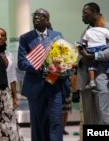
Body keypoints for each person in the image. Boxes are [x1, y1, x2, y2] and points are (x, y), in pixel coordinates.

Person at [18, 8, 67, 141]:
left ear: (47, 20)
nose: (36, 18)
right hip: (35, 88)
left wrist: (63, 65)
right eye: (35, 15)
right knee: (38, 123)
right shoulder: (25, 38)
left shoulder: (57, 35)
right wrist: (41, 67)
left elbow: (65, 58)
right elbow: (21, 63)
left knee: (56, 121)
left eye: (40, 16)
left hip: (54, 86)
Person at [77, 2, 109, 126]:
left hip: (102, 78)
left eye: (85, 13)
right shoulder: (85, 33)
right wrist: (81, 59)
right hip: (86, 80)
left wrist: (94, 56)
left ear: (95, 13)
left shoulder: (107, 28)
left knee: (104, 120)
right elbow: (81, 55)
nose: (82, 16)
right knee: (89, 121)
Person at [78, 13, 109, 89]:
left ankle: (91, 81)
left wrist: (82, 47)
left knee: (91, 65)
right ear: (99, 22)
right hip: (102, 48)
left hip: (91, 50)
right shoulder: (104, 30)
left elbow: (83, 42)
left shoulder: (88, 31)